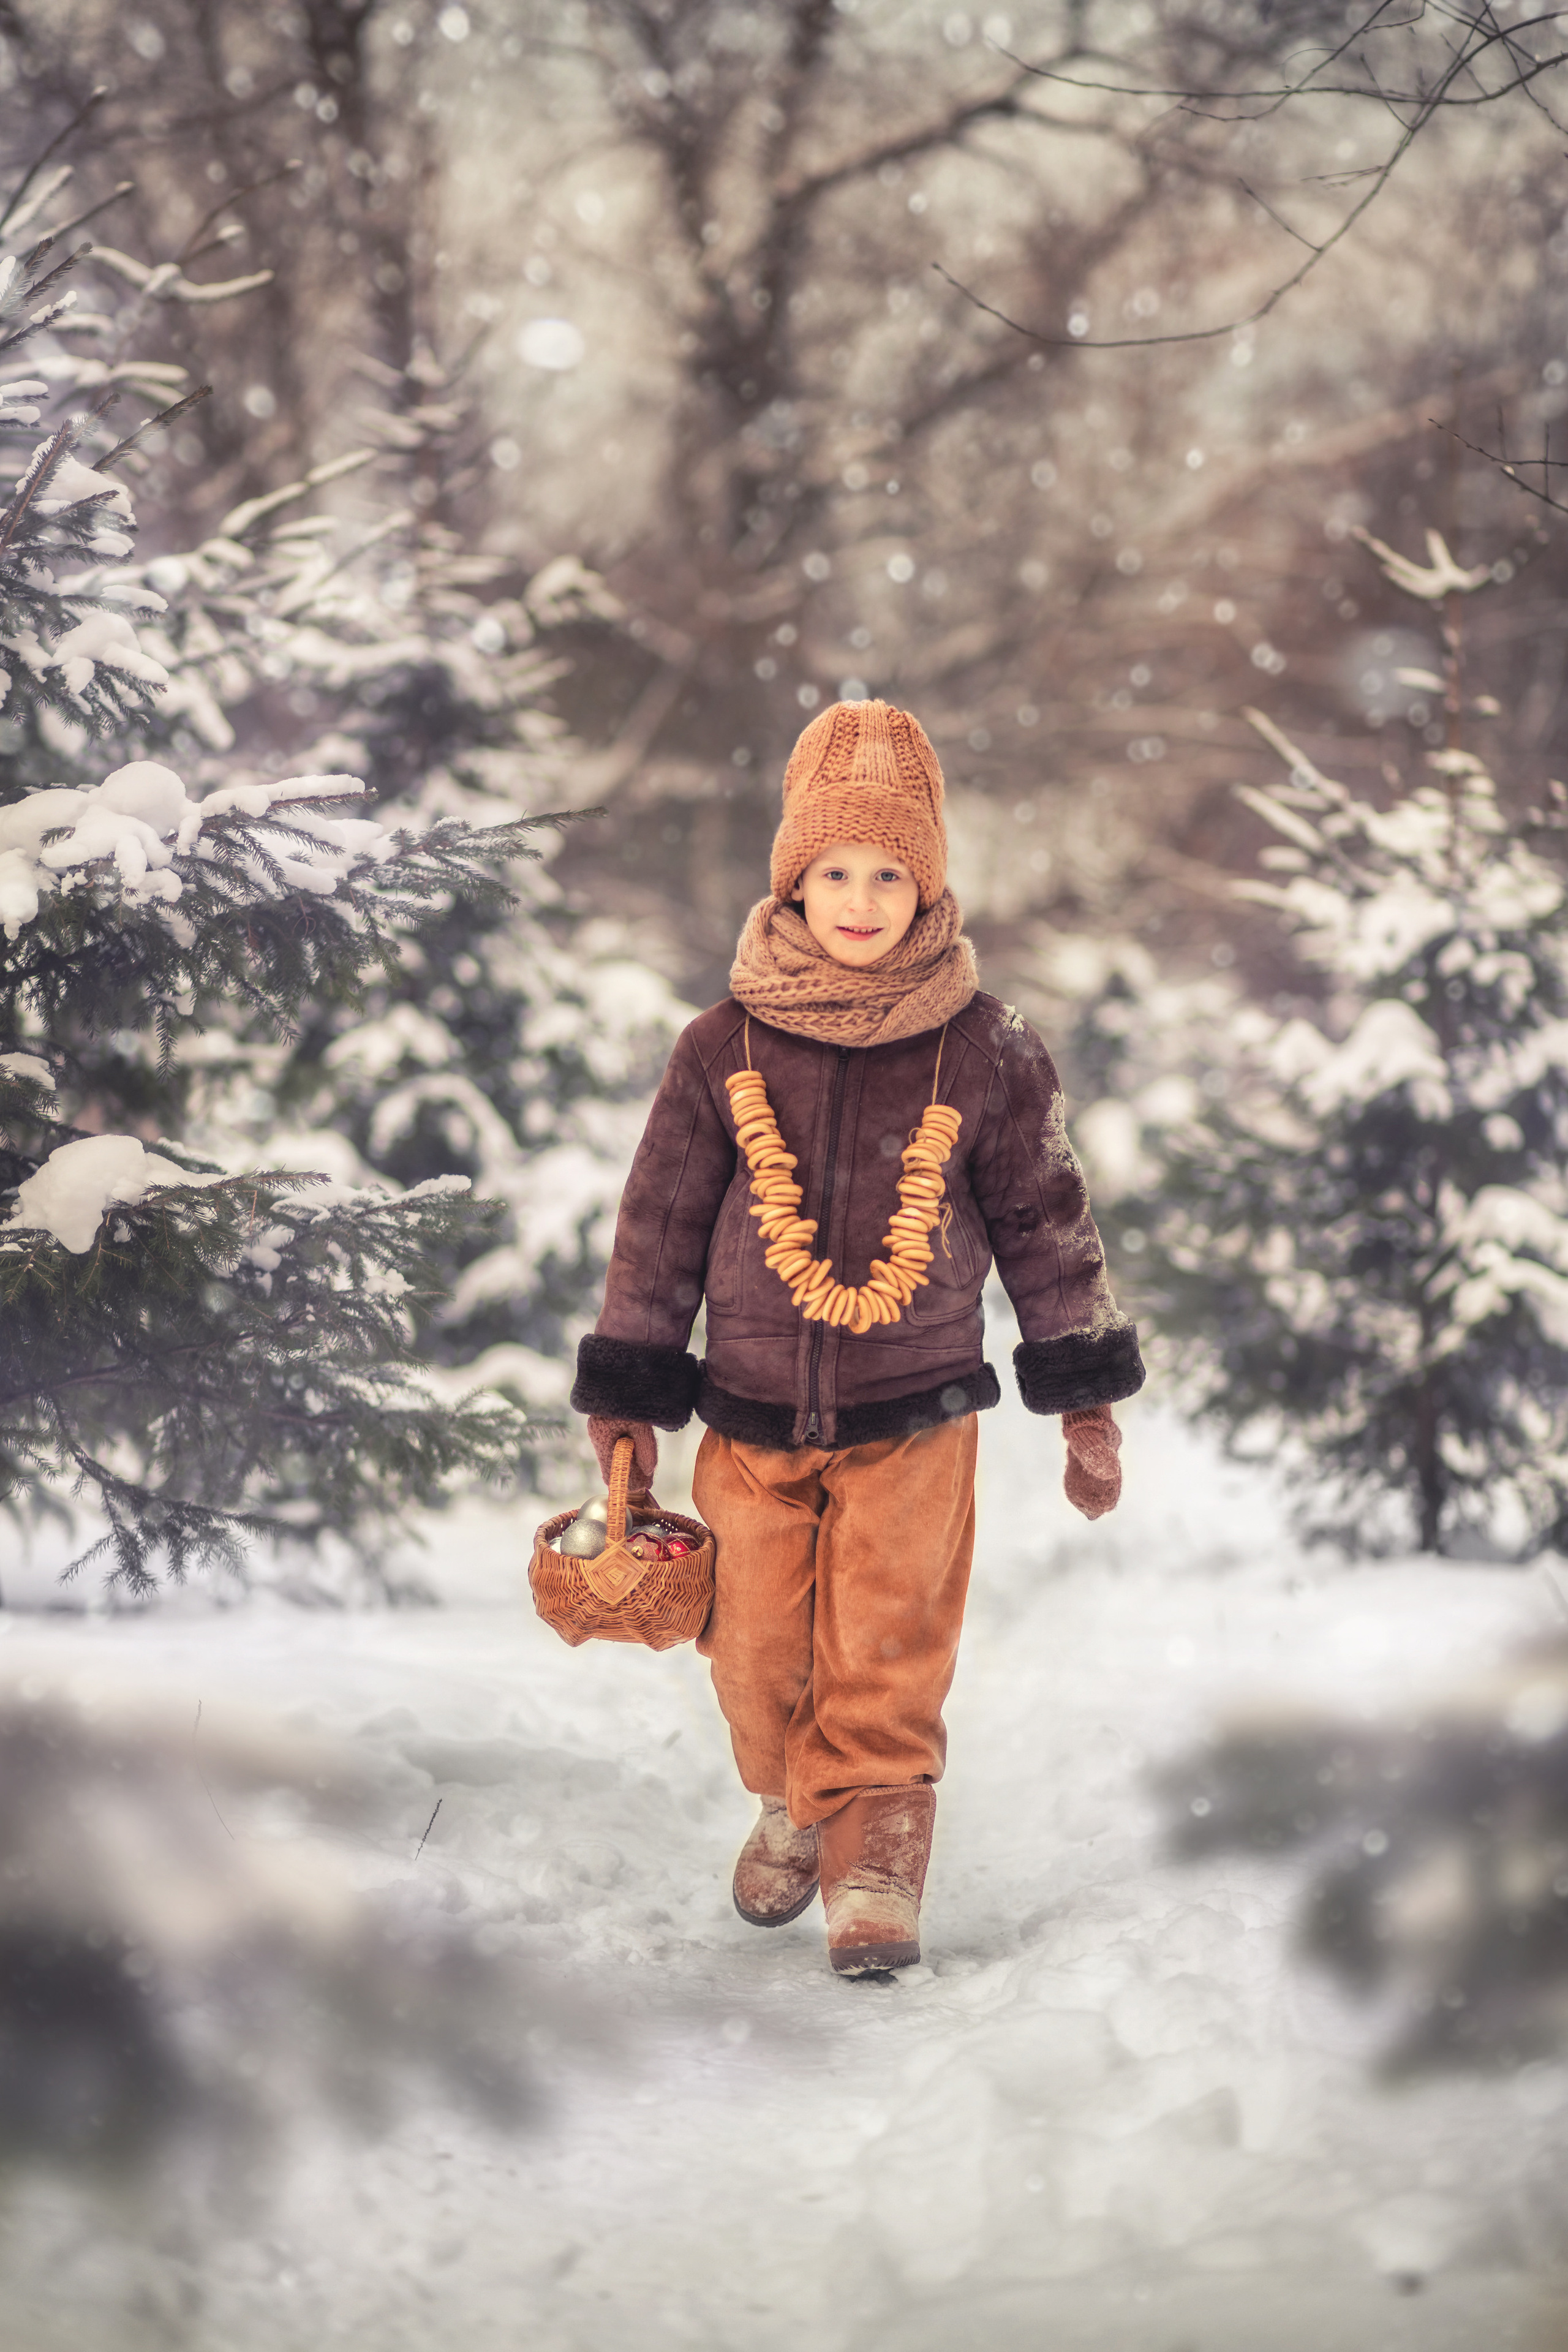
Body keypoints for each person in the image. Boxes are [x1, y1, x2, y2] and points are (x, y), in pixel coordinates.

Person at [571, 699, 1143, 1975]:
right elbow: (659, 1226)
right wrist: (627, 1393)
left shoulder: (985, 1051)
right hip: (747, 1412)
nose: (860, 897)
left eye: (889, 872)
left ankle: (875, 1858)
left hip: (917, 1412)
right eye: (834, 870)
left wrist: (1082, 1400)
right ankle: (786, 1800)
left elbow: (1048, 1223)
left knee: (885, 1652)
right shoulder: (719, 1048)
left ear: (927, 882)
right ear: (792, 878)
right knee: (758, 1650)